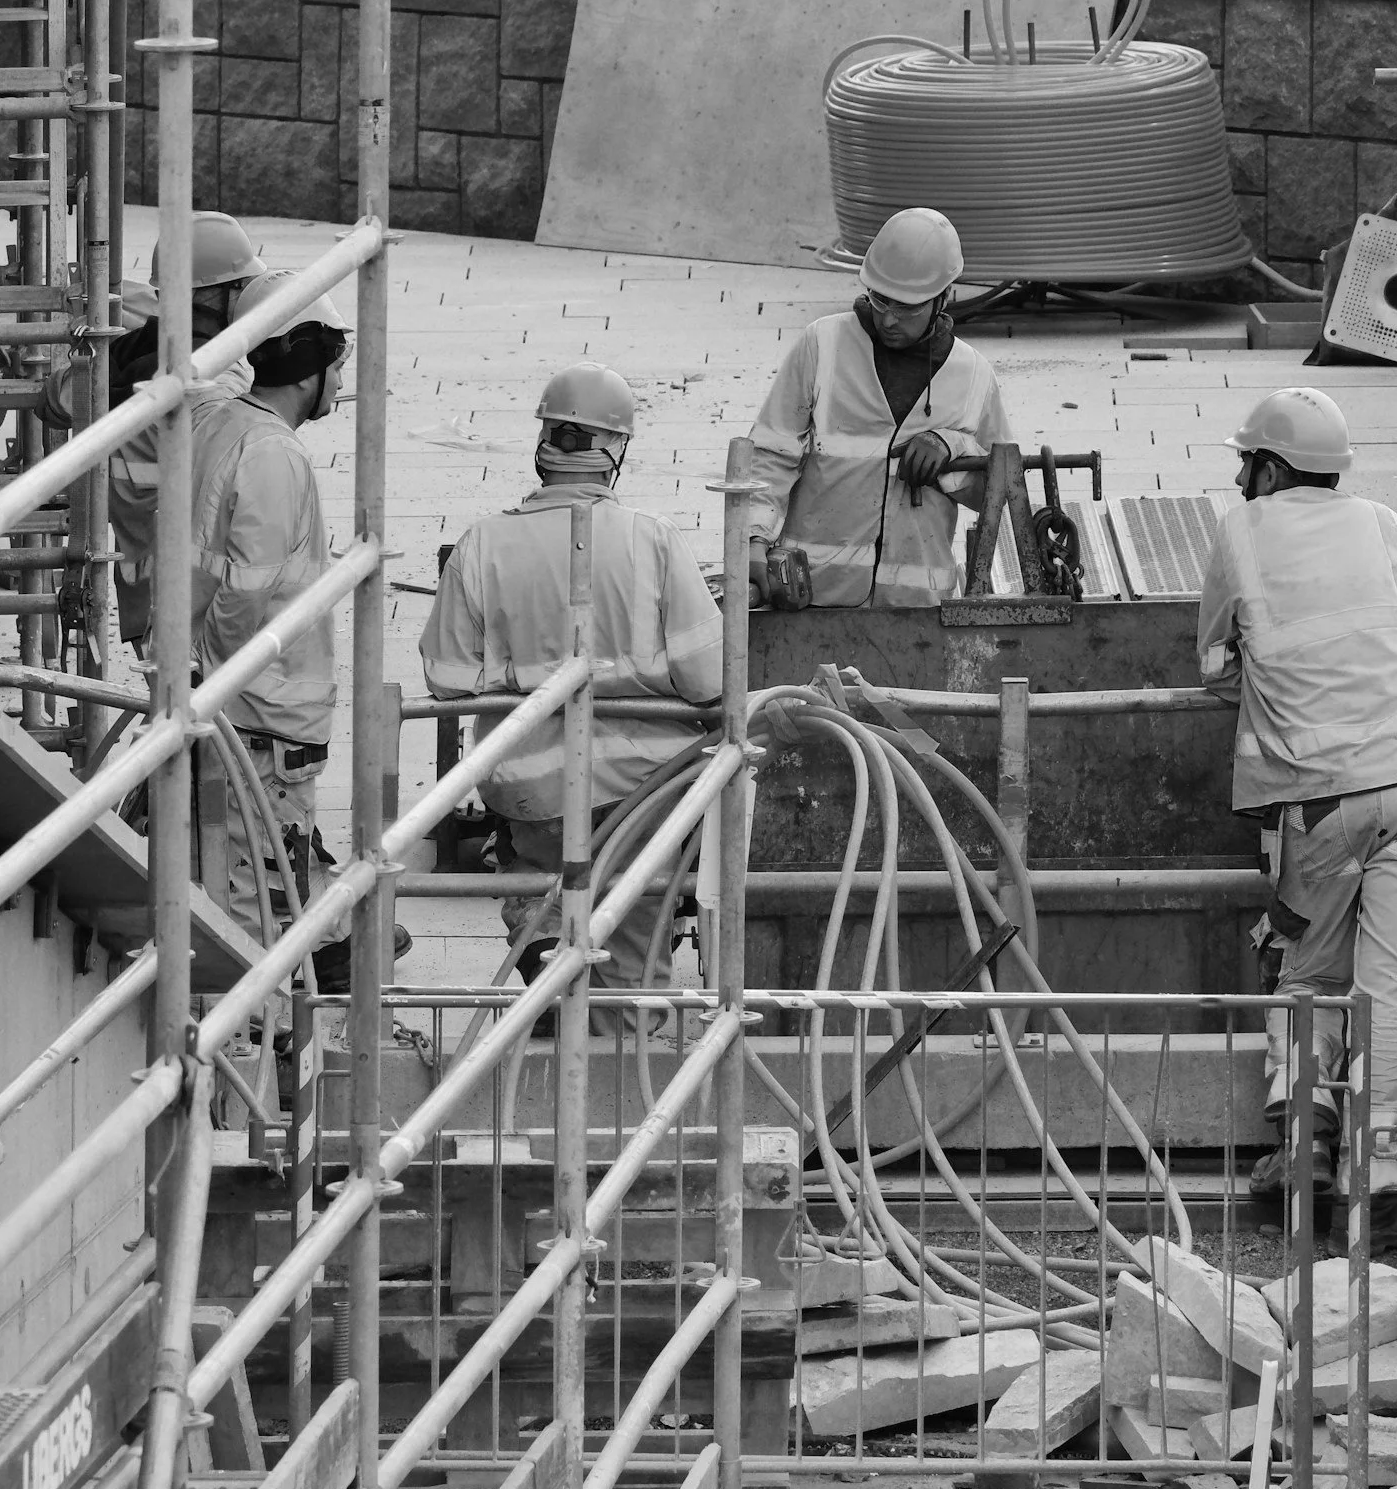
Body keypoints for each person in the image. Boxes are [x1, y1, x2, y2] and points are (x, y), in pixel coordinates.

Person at [1198, 387, 1397, 1251]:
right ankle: (1373, 1194)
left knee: (1307, 974)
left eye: (1246, 464)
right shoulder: (1390, 525)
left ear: (1270, 469)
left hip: (1317, 802)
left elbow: (1212, 664)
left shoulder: (1239, 532)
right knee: (1390, 992)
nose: (1241, 479)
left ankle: (1304, 1150)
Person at [419, 364, 724, 1013]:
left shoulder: (482, 544)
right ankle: (612, 1040)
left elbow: (446, 678)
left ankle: (553, 987)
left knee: (545, 903)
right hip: (643, 786)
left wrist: (525, 677)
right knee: (629, 943)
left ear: (543, 445)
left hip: (532, 788)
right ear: (616, 449)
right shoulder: (653, 540)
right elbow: (709, 681)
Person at [188, 269, 347, 967]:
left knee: (236, 881)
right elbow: (246, 596)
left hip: (239, 707)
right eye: (337, 360)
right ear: (306, 364)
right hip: (264, 719)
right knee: (264, 904)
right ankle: (261, 1024)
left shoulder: (222, 422)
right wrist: (226, 678)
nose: (341, 379)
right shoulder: (276, 454)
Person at [743, 206, 1011, 607]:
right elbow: (770, 454)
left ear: (943, 298)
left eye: (907, 307)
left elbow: (999, 491)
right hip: (814, 596)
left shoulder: (973, 374)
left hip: (915, 610)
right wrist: (753, 538)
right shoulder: (823, 345)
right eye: (881, 300)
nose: (888, 320)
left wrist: (952, 448)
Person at [67, 211, 269, 646]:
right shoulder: (212, 378)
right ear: (213, 292)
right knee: (199, 692)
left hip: (147, 587)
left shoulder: (129, 355)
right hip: (200, 593)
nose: (248, 295)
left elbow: (57, 399)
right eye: (240, 285)